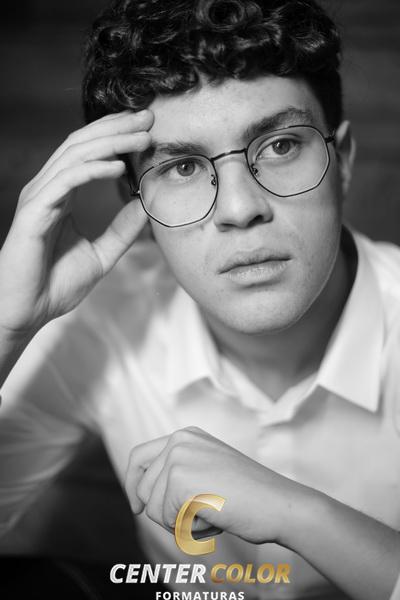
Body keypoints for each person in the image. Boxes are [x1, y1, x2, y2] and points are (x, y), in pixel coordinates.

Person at [0, 0, 399, 599]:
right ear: (136, 203)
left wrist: (301, 516)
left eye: (280, 146)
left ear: (340, 161)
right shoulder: (97, 321)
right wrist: (4, 327)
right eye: (183, 167)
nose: (240, 209)